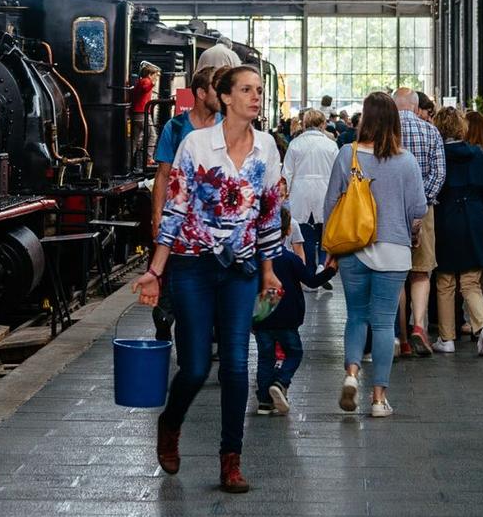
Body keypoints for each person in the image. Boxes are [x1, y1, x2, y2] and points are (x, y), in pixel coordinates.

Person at [133, 64, 285, 494]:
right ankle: (171, 421)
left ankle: (230, 461)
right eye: (246, 90)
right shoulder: (197, 145)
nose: (256, 97)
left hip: (241, 268)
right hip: (193, 266)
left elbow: (269, 212)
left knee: (237, 366)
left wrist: (269, 271)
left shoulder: (267, 148)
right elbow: (176, 210)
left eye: (259, 90)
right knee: (196, 367)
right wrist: (155, 271)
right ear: (225, 97)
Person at [320, 92, 426, 417]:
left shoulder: (346, 154)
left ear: (364, 118)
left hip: (354, 247)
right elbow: (419, 209)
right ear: (395, 121)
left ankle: (352, 374)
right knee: (383, 324)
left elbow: (331, 204)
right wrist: (413, 230)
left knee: (356, 317)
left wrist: (330, 249)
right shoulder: (406, 160)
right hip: (394, 250)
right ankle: (379, 399)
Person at [148, 67, 223, 339]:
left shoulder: (228, 125)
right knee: (177, 280)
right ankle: (166, 318)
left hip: (217, 224)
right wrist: (157, 218)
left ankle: (207, 331)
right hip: (180, 223)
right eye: (218, 89)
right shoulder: (176, 127)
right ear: (202, 94)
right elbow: (163, 175)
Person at [429, 107, 483, 355]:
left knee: (445, 281)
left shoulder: (437, 155)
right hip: (474, 216)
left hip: (445, 219)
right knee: (471, 281)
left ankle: (447, 338)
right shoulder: (478, 154)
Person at [251, 245, 338, 416]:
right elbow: (311, 281)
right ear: (287, 231)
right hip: (287, 318)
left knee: (265, 359)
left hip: (262, 317)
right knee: (294, 353)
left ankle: (264, 402)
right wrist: (330, 271)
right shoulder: (291, 258)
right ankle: (280, 381)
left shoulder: (255, 258)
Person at [392, 87, 445, 357]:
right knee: (421, 270)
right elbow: (439, 173)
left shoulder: (386, 131)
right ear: (415, 106)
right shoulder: (431, 131)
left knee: (397, 274)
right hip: (424, 211)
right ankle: (419, 326)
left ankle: (401, 338)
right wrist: (422, 201)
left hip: (390, 212)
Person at [283, 108, 341, 271]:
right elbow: (337, 173)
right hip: (325, 193)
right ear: (323, 124)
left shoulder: (295, 144)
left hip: (300, 194)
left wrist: (285, 194)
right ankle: (322, 264)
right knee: (324, 232)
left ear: (305, 124)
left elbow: (286, 173)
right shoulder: (331, 145)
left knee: (305, 234)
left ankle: (309, 269)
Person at [127, 62, 159, 169]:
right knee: (153, 135)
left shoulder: (139, 82)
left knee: (136, 139)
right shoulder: (146, 81)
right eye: (155, 75)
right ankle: (148, 159)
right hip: (142, 114)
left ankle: (128, 161)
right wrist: (152, 83)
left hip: (136, 114)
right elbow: (145, 87)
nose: (156, 77)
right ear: (150, 74)